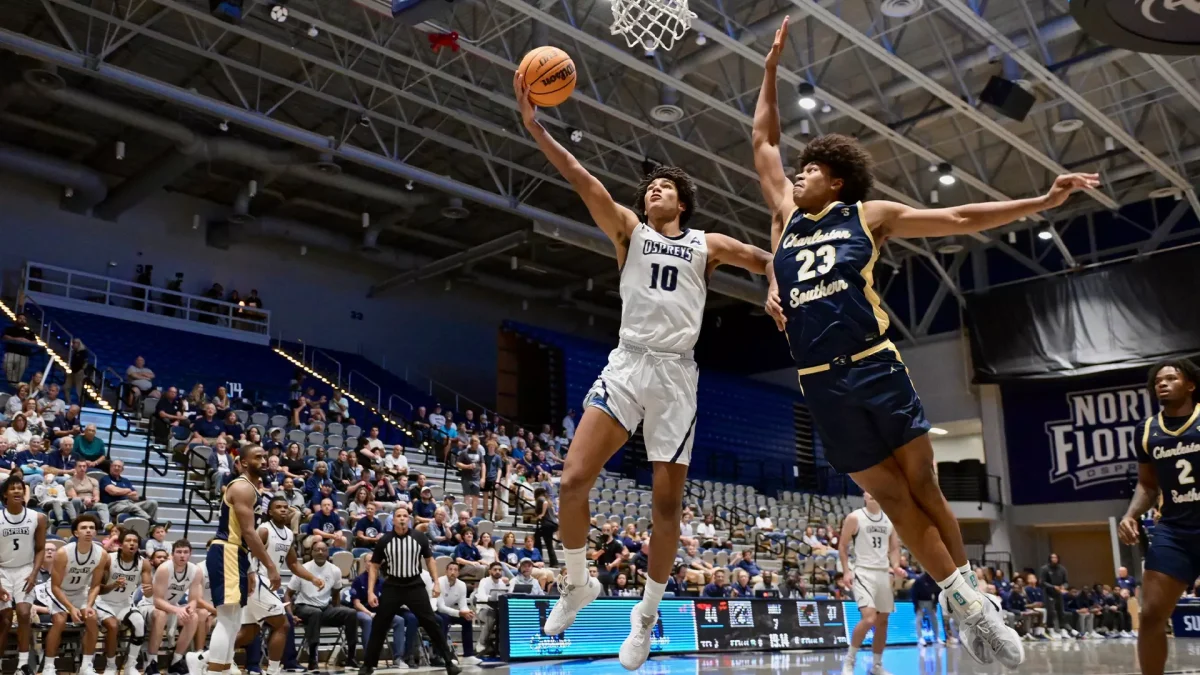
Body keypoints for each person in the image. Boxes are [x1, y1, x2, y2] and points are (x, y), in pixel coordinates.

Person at [753, 18, 1100, 671]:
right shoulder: (784, 218)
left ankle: (973, 601)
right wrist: (770, 66)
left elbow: (962, 218)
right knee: (891, 499)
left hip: (875, 363)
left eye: (810, 170)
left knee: (922, 485)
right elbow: (762, 139)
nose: (796, 176)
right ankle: (966, 603)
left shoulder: (870, 216)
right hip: (821, 381)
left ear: (836, 180)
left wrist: (1040, 200)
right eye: (797, 171)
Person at [514, 67, 775, 672]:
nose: (652, 191)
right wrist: (537, 127)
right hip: (629, 362)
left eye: (663, 187)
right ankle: (578, 582)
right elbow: (582, 180)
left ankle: (647, 616)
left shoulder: (706, 244)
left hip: (677, 377)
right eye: (649, 186)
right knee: (573, 479)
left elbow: (766, 259)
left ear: (681, 201)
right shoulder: (628, 232)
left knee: (665, 507)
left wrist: (774, 287)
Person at [1118, 359, 1200, 675]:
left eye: (1171, 378)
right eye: (1157, 381)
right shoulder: (1147, 430)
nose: (1162, 384)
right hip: (1174, 531)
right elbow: (1147, 484)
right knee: (1151, 614)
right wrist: (1130, 515)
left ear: (1190, 385)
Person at [356, 508, 461, 675]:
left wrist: (436, 583)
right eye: (399, 516)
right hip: (393, 585)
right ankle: (368, 665)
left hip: (414, 585)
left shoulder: (419, 537)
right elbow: (374, 566)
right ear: (393, 520)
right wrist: (370, 591)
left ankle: (449, 662)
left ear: (409, 520)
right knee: (379, 624)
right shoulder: (385, 540)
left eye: (405, 516)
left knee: (431, 622)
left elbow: (430, 560)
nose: (402, 519)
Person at [206, 447, 281, 675]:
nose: (264, 460)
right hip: (227, 550)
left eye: (265, 457)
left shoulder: (252, 489)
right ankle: (214, 671)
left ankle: (225, 667)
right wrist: (270, 566)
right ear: (244, 463)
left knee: (235, 620)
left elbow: (244, 535)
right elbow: (249, 533)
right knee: (227, 619)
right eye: (258, 457)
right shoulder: (241, 487)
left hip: (236, 552)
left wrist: (248, 568)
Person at [248, 496, 324, 675]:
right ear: (270, 512)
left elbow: (293, 564)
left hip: (270, 585)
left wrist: (313, 578)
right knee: (283, 624)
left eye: (285, 507)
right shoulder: (264, 530)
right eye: (278, 507)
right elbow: (247, 556)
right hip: (258, 581)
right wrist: (250, 579)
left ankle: (204, 658)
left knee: (249, 630)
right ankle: (272, 669)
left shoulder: (289, 534)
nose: (283, 510)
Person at [839, 492, 905, 675]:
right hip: (863, 572)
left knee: (882, 622)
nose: (872, 493)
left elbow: (894, 548)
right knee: (869, 618)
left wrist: (896, 565)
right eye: (868, 490)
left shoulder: (889, 520)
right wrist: (846, 570)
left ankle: (876, 665)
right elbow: (842, 545)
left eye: (875, 490)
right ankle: (850, 660)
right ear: (864, 495)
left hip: (883, 574)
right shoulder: (855, 517)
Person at [43, 515, 106, 675]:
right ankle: (49, 666)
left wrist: (89, 606)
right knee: (60, 619)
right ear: (76, 533)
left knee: (92, 618)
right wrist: (71, 608)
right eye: (84, 528)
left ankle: (86, 665)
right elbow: (55, 586)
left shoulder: (101, 554)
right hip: (58, 591)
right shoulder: (64, 552)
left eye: (92, 528)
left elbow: (95, 585)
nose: (88, 531)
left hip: (80, 592)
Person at [0, 473, 47, 675]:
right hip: (1, 570)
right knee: (4, 619)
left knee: (25, 613)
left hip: (26, 569)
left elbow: (41, 548)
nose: (18, 491)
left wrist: (34, 573)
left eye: (21, 488)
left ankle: (23, 665)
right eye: (13, 488)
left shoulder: (38, 517)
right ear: (5, 495)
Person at [286, 541, 358, 671]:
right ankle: (312, 658)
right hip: (303, 607)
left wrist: (336, 611)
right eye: (317, 550)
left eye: (323, 550)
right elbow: (288, 594)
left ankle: (351, 658)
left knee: (351, 613)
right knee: (315, 613)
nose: (320, 552)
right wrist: (291, 615)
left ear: (328, 552)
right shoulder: (304, 569)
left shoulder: (335, 570)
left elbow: (336, 593)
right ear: (312, 552)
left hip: (325, 608)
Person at [95, 530, 152, 675]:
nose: (132, 543)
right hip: (104, 602)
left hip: (125, 603)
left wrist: (150, 590)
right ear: (120, 544)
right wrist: (113, 585)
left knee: (139, 624)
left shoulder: (143, 563)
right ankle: (111, 666)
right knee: (113, 626)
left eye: (135, 541)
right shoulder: (108, 559)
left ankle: (130, 666)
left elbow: (148, 593)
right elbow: (98, 589)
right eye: (128, 540)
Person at [436, 562, 479, 666]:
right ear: (446, 571)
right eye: (450, 569)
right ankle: (443, 655)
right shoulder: (439, 582)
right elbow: (441, 607)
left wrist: (466, 612)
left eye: (455, 570)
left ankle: (468, 655)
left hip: (449, 611)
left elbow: (463, 605)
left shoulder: (462, 585)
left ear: (459, 573)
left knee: (467, 620)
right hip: (435, 611)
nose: (452, 572)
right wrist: (459, 613)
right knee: (444, 619)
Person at [1038, 553, 1070, 638]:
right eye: (1052, 557)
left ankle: (1062, 629)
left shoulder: (1062, 569)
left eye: (1055, 557)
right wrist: (1053, 587)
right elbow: (1042, 582)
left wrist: (1064, 587)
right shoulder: (1044, 569)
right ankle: (1050, 629)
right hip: (1048, 592)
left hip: (1059, 593)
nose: (1054, 559)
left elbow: (1066, 582)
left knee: (1061, 611)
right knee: (1051, 611)